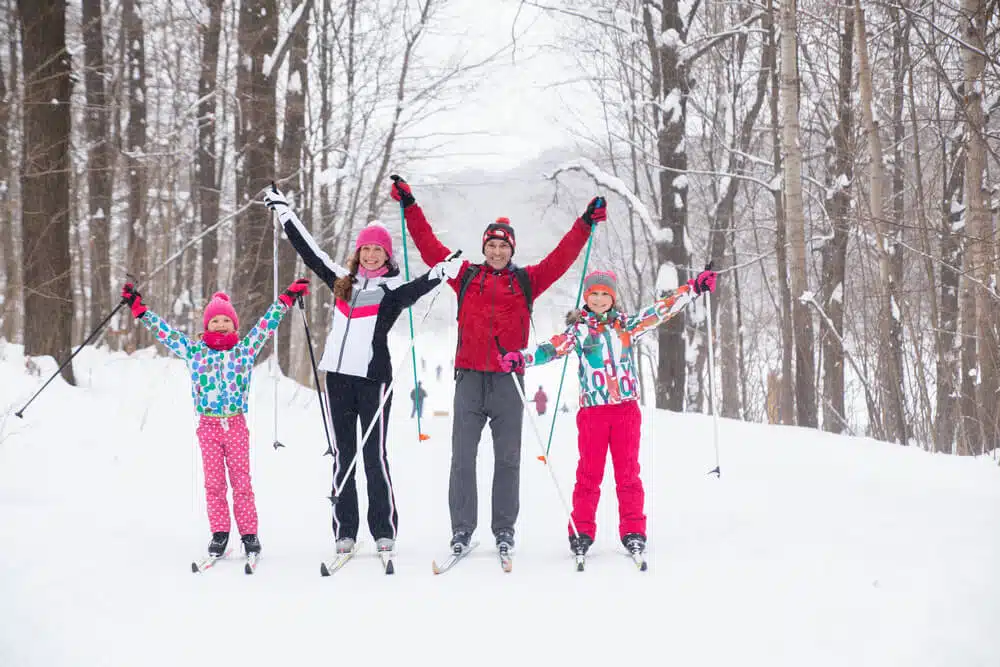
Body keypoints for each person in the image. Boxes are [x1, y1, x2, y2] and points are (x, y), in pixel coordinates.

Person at [389, 174, 605, 557]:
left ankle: (504, 530)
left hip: (509, 383)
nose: (496, 251)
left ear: (511, 249)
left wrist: (585, 223)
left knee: (508, 460)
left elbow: (562, 255)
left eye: (503, 246)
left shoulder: (527, 281)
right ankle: (462, 530)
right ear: (483, 246)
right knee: (462, 459)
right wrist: (409, 205)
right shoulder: (465, 275)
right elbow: (428, 248)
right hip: (469, 379)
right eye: (491, 244)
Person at [264, 185, 463, 556]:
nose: (371, 255)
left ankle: (383, 530)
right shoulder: (343, 281)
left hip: (374, 381)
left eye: (378, 250)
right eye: (366, 249)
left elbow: (421, 286)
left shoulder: (392, 290)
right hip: (337, 379)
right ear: (359, 252)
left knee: (374, 456)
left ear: (387, 255)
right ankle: (345, 530)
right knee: (344, 456)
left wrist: (443, 271)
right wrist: (285, 213)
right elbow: (311, 252)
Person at [499, 268, 717, 558]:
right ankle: (582, 532)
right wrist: (522, 359)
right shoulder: (578, 331)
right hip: (593, 414)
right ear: (586, 297)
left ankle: (633, 531)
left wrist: (693, 288)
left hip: (625, 411)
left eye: (605, 294)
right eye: (594, 294)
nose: (599, 299)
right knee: (589, 475)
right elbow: (553, 348)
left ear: (613, 297)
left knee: (628, 474)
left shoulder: (627, 326)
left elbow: (660, 311)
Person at [120, 278, 311, 558]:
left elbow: (265, 326)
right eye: (215, 321)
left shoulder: (244, 351)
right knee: (214, 484)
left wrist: (286, 299)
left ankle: (249, 534)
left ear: (234, 325)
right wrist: (140, 311)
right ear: (206, 326)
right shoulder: (195, 352)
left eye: (225, 320)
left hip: (235, 425)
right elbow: (167, 335)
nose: (220, 324)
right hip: (208, 427)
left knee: (242, 483)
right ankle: (220, 533)